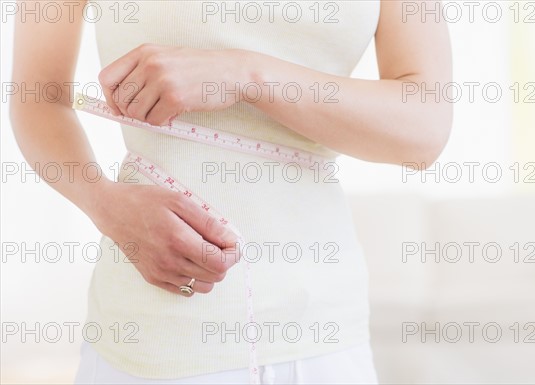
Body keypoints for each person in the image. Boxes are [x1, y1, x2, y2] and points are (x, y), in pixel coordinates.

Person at [9, 1, 452, 383]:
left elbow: (423, 127)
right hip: (158, 330)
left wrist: (245, 74)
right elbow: (37, 96)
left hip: (326, 329)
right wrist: (104, 204)